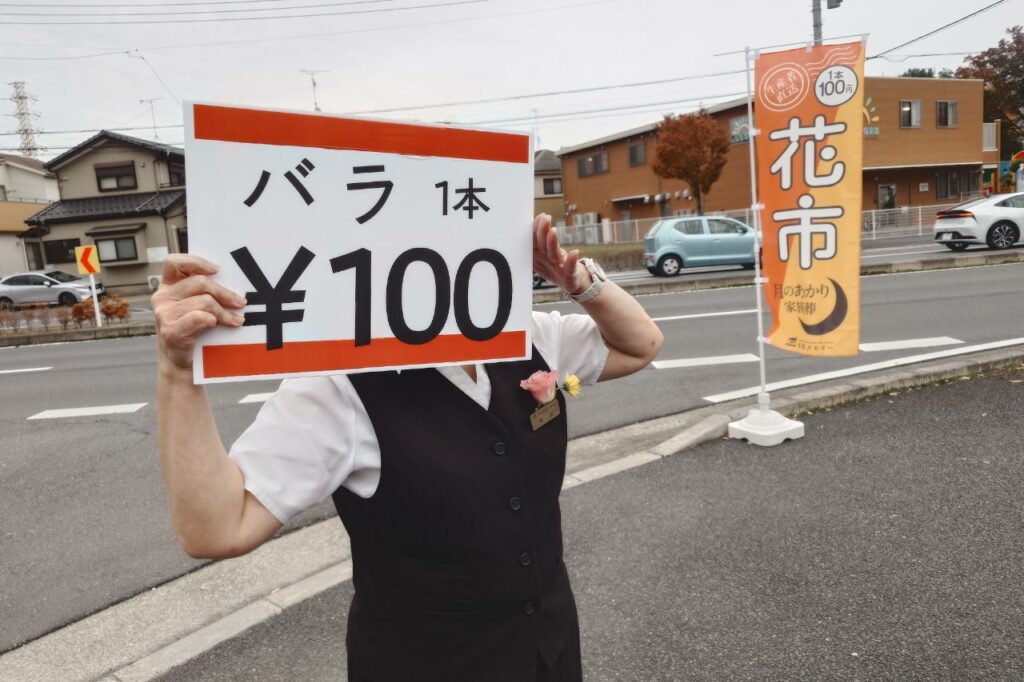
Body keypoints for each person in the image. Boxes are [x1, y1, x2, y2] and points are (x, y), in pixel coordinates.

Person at [154, 213, 663, 681]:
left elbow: (639, 345)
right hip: (423, 663)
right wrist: (177, 371)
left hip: (547, 648)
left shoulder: (525, 334)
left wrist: (581, 283)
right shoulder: (341, 382)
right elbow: (218, 528)